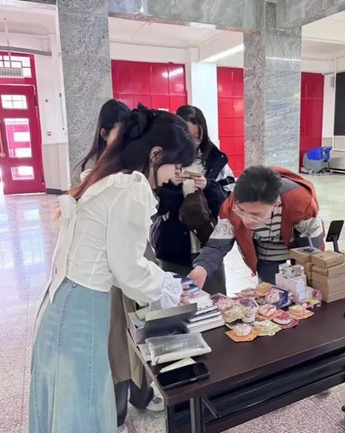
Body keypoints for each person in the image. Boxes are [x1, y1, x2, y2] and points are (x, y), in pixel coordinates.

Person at [29, 106, 195, 433]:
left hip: (61, 303)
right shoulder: (130, 187)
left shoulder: (104, 176)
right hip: (80, 309)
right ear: (156, 154)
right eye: (175, 166)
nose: (174, 176)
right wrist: (170, 287)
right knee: (82, 406)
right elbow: (129, 272)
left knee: (69, 403)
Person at [70, 100, 162, 433]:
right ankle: (117, 406)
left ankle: (142, 393)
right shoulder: (91, 173)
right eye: (119, 135)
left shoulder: (131, 167)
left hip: (133, 260)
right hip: (108, 274)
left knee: (141, 328)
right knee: (115, 340)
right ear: (103, 133)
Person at [188, 166, 325, 288]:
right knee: (271, 289)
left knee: (305, 285)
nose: (247, 221)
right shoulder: (231, 206)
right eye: (241, 211)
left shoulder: (299, 201)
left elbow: (312, 243)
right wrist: (202, 268)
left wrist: (314, 270)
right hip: (266, 249)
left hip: (296, 241)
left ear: (275, 204)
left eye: (255, 215)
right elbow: (218, 244)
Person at [150, 105, 234, 294]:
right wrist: (171, 187)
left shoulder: (216, 160)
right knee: (177, 301)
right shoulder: (162, 162)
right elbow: (154, 209)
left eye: (198, 137)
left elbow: (228, 205)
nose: (193, 143)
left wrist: (208, 186)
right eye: (188, 137)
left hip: (208, 246)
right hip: (173, 249)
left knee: (214, 300)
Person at [71, 99, 130, 185]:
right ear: (104, 134)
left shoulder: (136, 166)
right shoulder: (84, 170)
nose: (126, 140)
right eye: (121, 135)